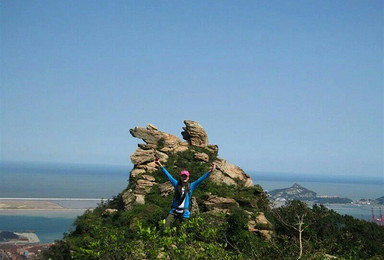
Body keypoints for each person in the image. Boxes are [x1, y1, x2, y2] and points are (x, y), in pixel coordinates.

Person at [154, 157, 216, 227]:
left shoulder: (191, 186)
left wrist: (210, 171)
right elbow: (168, 176)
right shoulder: (176, 184)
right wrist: (159, 164)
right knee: (165, 227)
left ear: (188, 177)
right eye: (183, 176)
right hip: (174, 211)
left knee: (184, 231)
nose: (184, 178)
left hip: (185, 213)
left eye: (185, 176)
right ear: (180, 177)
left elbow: (200, 179)